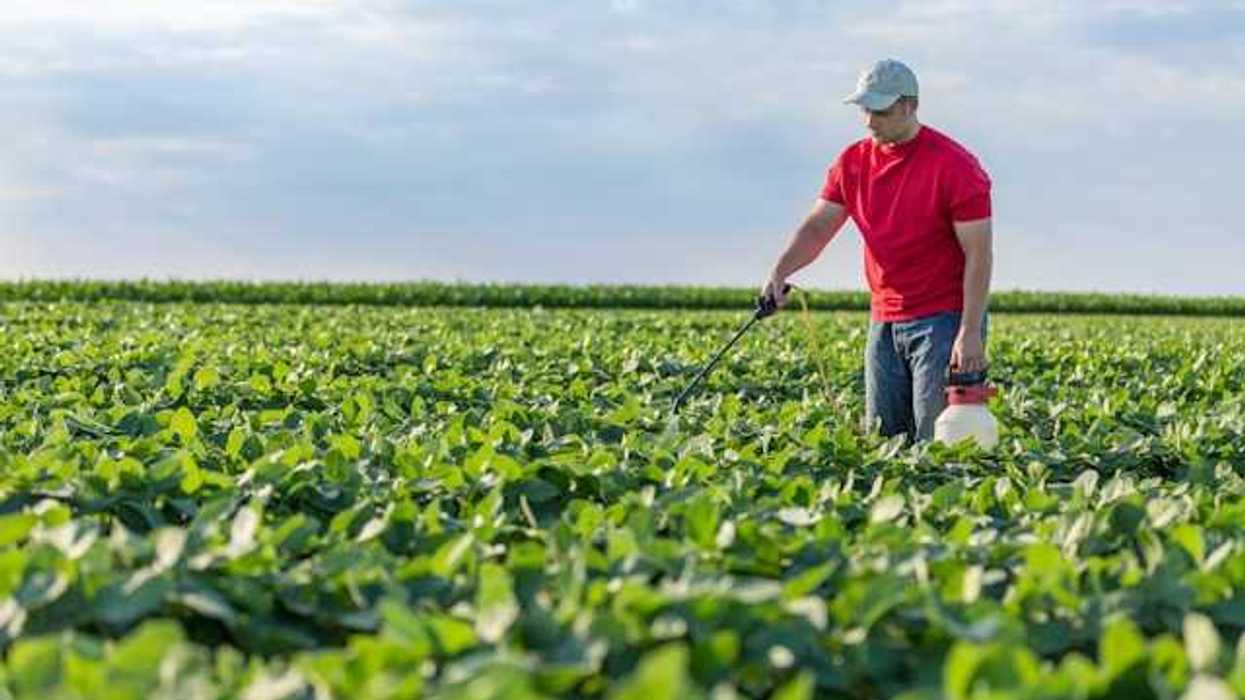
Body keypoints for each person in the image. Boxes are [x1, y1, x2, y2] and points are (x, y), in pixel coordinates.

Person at [762, 58, 993, 442]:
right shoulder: (852, 163)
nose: (870, 121)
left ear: (909, 106)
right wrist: (780, 272)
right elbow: (820, 225)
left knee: (934, 441)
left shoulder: (955, 167)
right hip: (884, 319)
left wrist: (969, 332)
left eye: (881, 111)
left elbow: (979, 255)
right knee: (885, 440)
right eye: (865, 109)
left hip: (944, 318)